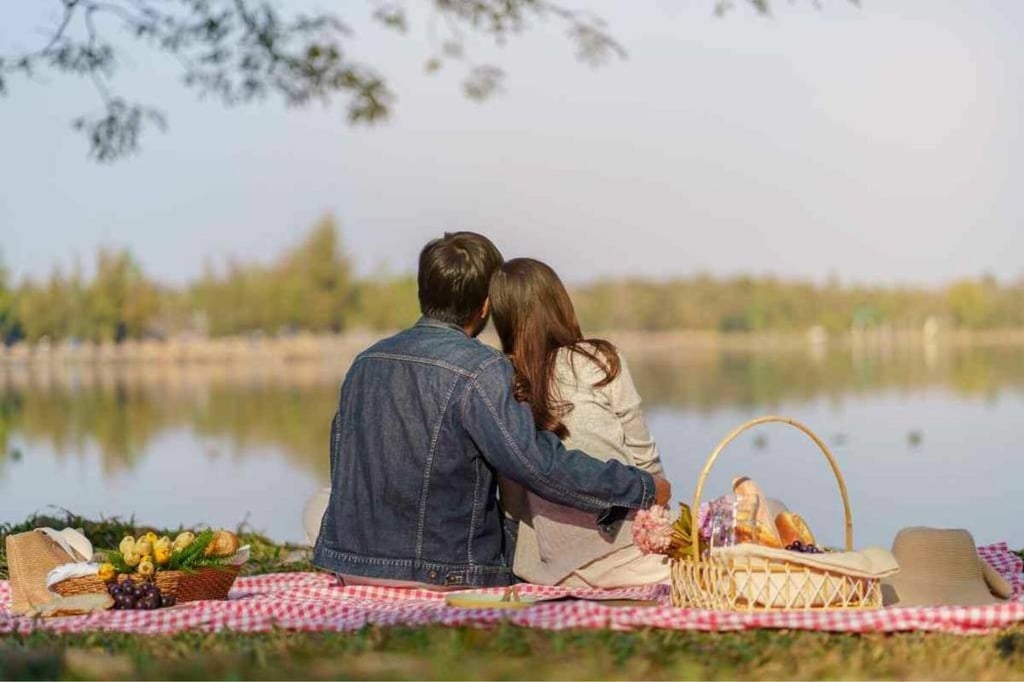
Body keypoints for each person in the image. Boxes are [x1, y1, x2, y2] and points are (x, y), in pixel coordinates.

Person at [312, 232, 671, 589]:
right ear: (486, 306)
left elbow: (342, 461)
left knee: (318, 504)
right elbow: (539, 465)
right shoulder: (480, 369)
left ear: (423, 292)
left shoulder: (366, 361)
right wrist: (640, 487)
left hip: (350, 563)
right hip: (441, 572)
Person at [489, 258, 670, 587]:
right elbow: (646, 461)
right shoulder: (599, 359)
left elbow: (512, 500)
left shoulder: (503, 380)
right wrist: (663, 528)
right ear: (559, 303)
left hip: (557, 570)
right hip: (631, 554)